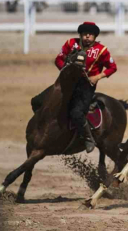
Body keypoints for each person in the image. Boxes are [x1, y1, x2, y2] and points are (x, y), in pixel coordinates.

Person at [31, 21, 117, 153]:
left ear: (95, 36)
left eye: (90, 34)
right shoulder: (70, 43)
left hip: (85, 86)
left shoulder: (102, 50)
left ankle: (88, 138)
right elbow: (58, 59)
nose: (87, 36)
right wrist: (64, 70)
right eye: (84, 34)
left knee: (76, 113)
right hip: (65, 83)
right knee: (36, 101)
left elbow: (112, 68)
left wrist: (98, 77)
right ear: (81, 34)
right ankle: (41, 128)